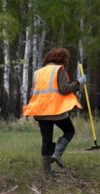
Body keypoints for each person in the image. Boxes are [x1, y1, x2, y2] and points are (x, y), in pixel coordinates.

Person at [23, 48, 87, 178]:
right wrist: (79, 83)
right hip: (55, 110)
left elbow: (32, 92)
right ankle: (57, 153)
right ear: (62, 59)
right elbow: (64, 89)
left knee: (46, 141)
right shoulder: (59, 70)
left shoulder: (37, 73)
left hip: (40, 111)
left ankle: (48, 173)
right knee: (69, 131)